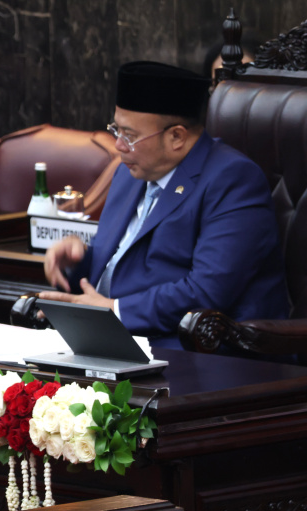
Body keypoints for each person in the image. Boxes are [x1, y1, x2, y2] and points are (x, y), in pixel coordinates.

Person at [40, 61, 288, 348]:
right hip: (110, 339)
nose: (119, 146)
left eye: (130, 136)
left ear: (177, 137)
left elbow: (207, 291)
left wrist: (115, 311)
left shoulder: (233, 180)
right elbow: (125, 264)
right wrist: (79, 260)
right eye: (116, 130)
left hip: (193, 351)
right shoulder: (129, 173)